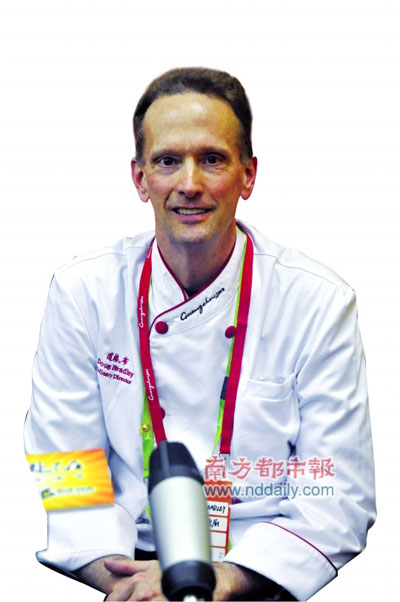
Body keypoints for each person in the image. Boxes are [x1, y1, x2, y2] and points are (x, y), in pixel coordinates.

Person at [24, 67, 376, 601]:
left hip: (258, 567)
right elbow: (67, 468)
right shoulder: (83, 293)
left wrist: (223, 580)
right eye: (168, 161)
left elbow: (338, 495)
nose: (189, 184)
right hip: (127, 563)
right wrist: (132, 585)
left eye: (212, 159)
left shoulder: (318, 302)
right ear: (140, 178)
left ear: (248, 175)